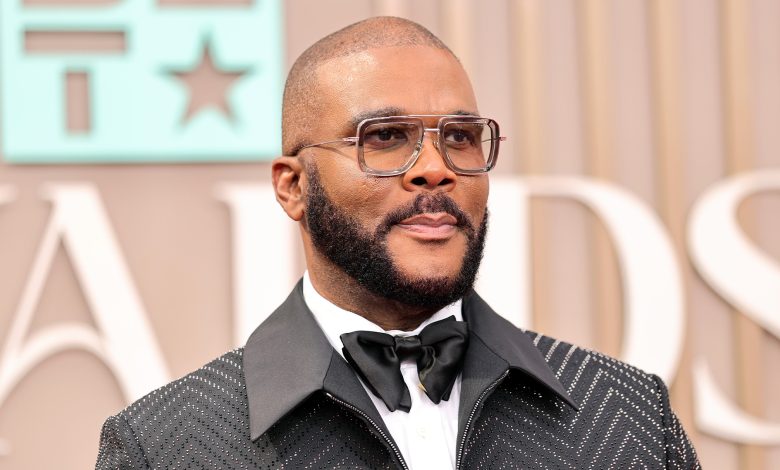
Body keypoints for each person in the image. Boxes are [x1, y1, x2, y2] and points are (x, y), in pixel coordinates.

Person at [96, 17, 700, 469]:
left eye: (460, 137)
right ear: (293, 186)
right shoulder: (165, 446)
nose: (436, 169)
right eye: (384, 137)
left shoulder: (629, 415)